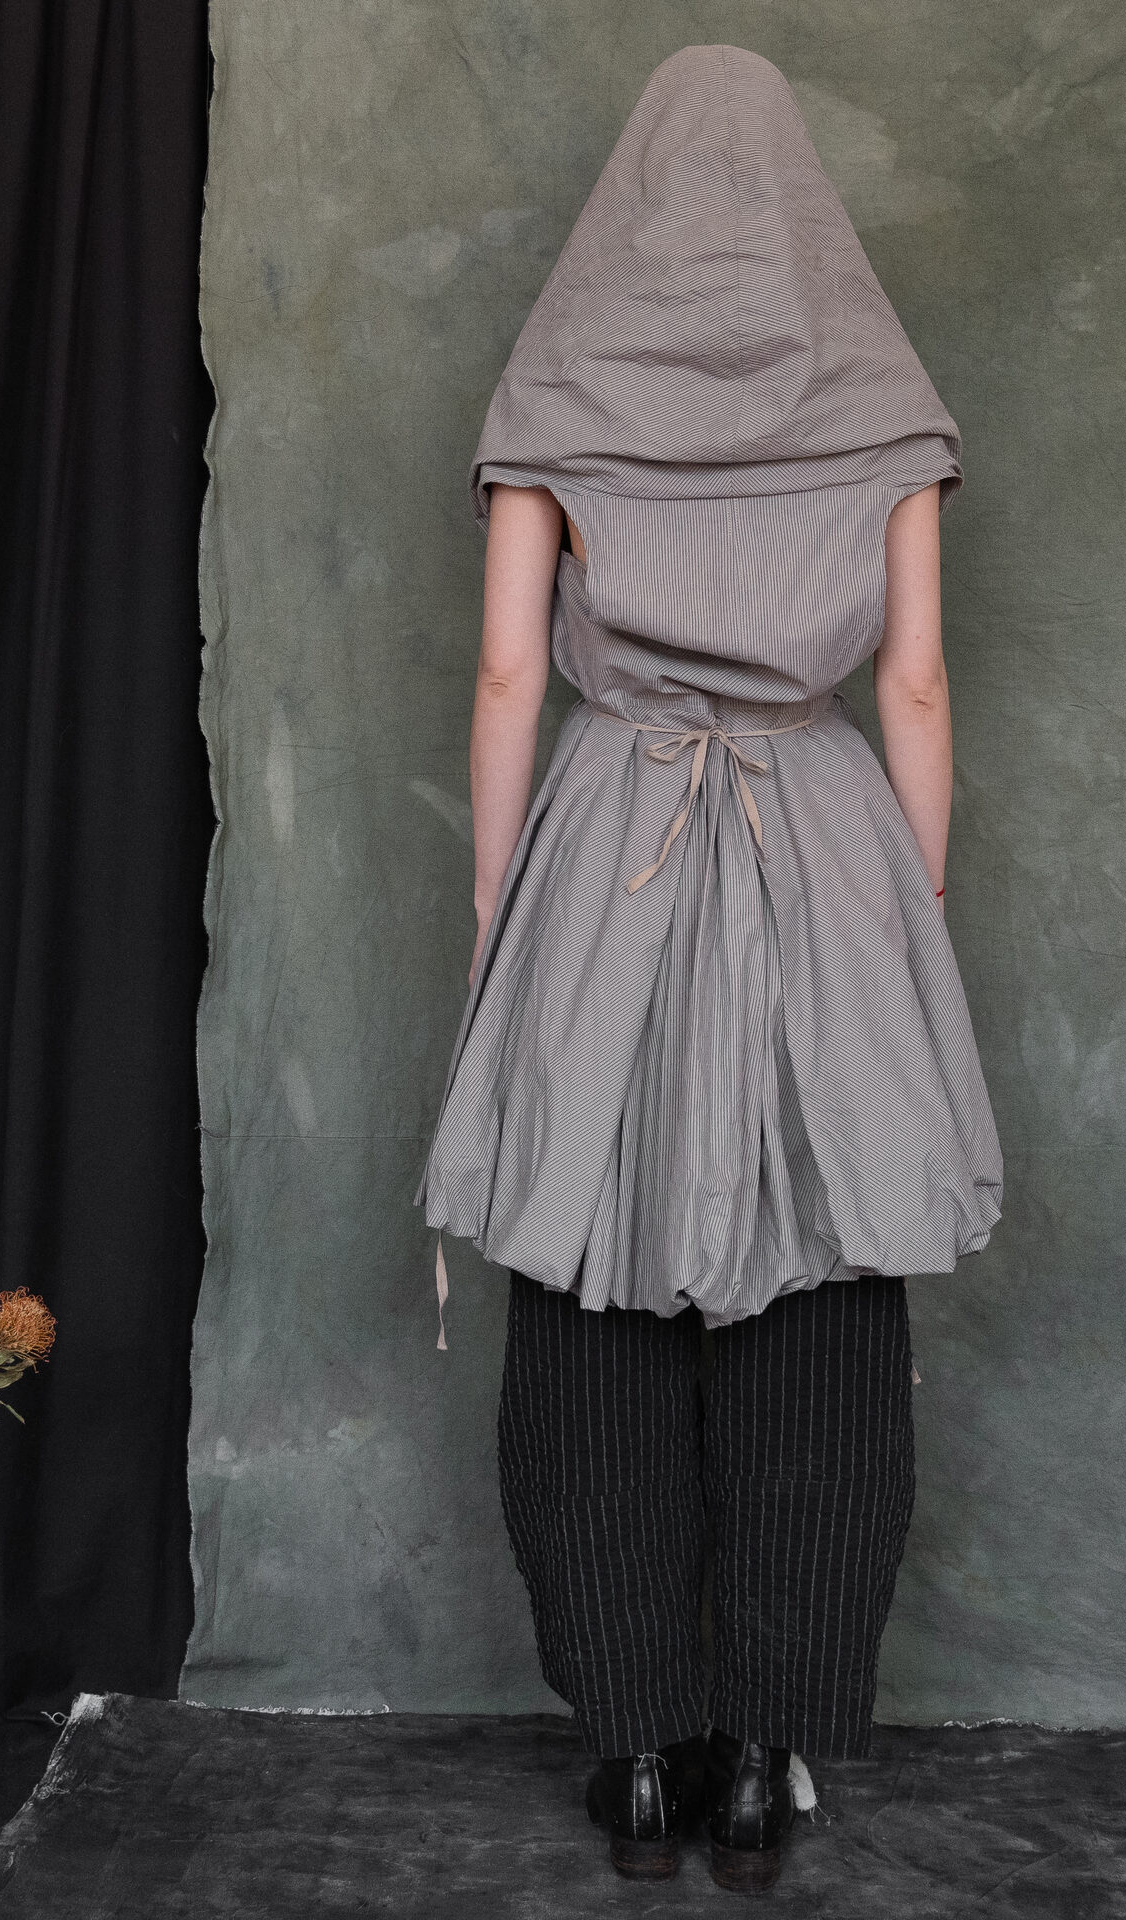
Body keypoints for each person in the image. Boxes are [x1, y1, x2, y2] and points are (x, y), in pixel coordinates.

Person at [413, 43, 1002, 1893]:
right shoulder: (883, 403)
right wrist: (904, 916)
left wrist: (501, 914)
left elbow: (510, 675)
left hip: (612, 841)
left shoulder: (558, 389)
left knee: (587, 1278)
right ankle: (765, 1751)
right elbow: (915, 685)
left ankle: (638, 1753)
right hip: (825, 841)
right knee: (820, 1281)